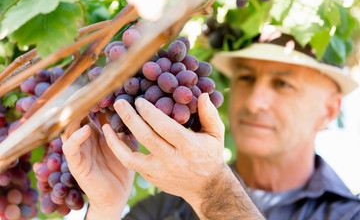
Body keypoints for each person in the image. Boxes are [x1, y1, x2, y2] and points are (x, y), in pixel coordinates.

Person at [62, 28, 360, 220]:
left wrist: (213, 190)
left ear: (329, 110)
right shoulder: (161, 211)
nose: (255, 102)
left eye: (283, 84)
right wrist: (106, 209)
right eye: (245, 78)